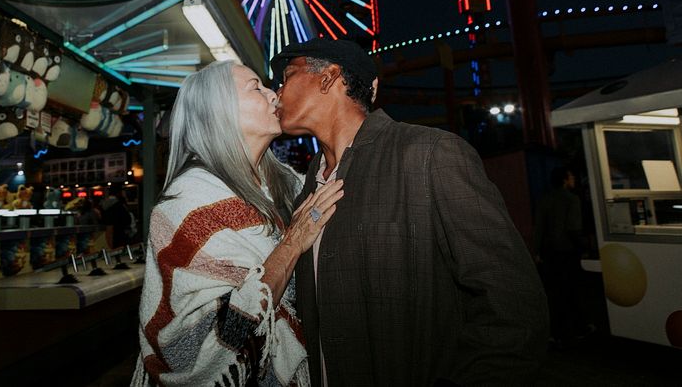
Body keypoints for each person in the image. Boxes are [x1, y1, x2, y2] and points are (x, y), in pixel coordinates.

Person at [271, 38, 548, 386]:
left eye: (286, 76)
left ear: (328, 78)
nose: (276, 92)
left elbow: (514, 309)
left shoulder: (428, 155)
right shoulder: (307, 189)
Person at [132, 60, 344, 386]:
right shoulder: (187, 202)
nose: (273, 94)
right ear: (219, 111)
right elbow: (199, 344)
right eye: (255, 87)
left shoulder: (284, 183)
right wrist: (290, 244)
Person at [533, 166, 591, 347]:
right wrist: (586, 245)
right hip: (568, 251)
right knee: (573, 290)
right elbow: (573, 229)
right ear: (565, 180)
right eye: (572, 176)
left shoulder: (545, 199)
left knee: (554, 293)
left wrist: (536, 251)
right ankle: (580, 328)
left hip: (549, 252)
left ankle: (554, 333)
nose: (574, 179)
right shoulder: (572, 200)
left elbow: (539, 228)